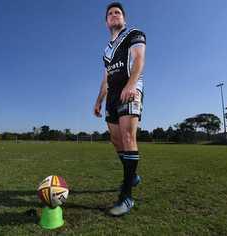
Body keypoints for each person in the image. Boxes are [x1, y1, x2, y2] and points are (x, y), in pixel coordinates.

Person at [93, 2, 146, 216]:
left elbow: (139, 59)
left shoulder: (133, 34)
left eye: (118, 12)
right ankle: (132, 176)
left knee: (127, 136)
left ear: (123, 19)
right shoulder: (106, 50)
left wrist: (131, 84)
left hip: (131, 89)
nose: (114, 15)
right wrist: (98, 100)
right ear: (106, 22)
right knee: (115, 140)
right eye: (110, 14)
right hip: (112, 96)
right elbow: (105, 79)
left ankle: (126, 197)